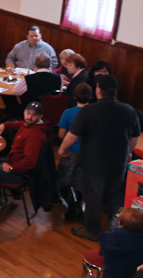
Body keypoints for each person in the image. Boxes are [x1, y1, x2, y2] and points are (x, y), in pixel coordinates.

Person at [59, 75, 141, 241]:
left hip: (93, 163)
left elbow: (72, 135)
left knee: (93, 198)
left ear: (98, 91)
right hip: (118, 162)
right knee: (115, 197)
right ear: (115, 92)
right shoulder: (128, 110)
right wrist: (128, 152)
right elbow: (134, 137)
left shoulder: (89, 111)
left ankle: (92, 230)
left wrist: (62, 148)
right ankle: (116, 229)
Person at [0, 101, 48, 189]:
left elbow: (29, 162)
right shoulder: (30, 124)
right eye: (28, 113)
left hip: (17, 173)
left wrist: (11, 169)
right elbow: (20, 124)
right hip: (12, 162)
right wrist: (5, 125)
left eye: (34, 115)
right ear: (24, 112)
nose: (30, 117)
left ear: (40, 116)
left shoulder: (35, 136)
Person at [57, 83, 93, 220]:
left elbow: (61, 134)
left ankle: (73, 205)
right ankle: (82, 201)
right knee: (82, 178)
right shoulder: (94, 112)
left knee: (67, 179)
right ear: (90, 96)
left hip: (70, 151)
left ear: (74, 96)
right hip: (89, 152)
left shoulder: (68, 113)